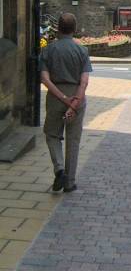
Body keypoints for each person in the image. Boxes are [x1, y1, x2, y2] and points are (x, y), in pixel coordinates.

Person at [39, 13, 92, 193]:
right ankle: (69, 183)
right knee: (73, 140)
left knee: (52, 134)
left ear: (58, 28)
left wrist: (63, 98)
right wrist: (73, 104)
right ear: (74, 29)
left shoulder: (48, 50)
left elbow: (45, 79)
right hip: (77, 97)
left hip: (55, 97)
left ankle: (59, 169)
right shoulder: (82, 51)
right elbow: (84, 82)